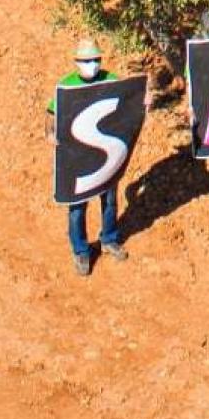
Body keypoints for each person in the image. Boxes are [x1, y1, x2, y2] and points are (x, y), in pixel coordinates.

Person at [52, 40, 126, 273]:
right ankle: (81, 251)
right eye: (86, 61)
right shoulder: (67, 85)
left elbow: (128, 104)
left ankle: (109, 238)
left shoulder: (111, 80)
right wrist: (50, 133)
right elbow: (51, 112)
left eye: (96, 60)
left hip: (106, 154)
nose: (92, 65)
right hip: (78, 157)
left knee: (110, 200)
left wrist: (144, 102)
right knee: (77, 207)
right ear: (76, 63)